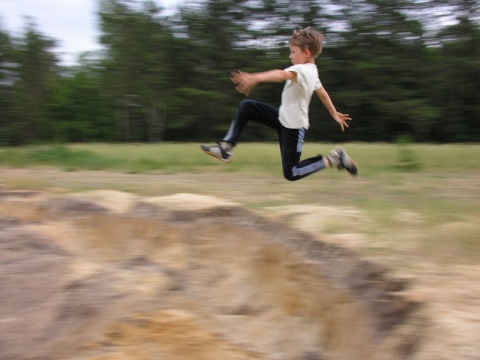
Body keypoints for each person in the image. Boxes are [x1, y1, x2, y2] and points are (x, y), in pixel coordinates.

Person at [200, 27, 357, 180]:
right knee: (246, 106)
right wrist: (334, 113)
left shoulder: (303, 70)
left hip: (294, 127)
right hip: (282, 117)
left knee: (292, 173)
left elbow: (282, 75)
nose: (290, 56)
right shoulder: (311, 71)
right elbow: (322, 92)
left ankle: (334, 159)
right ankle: (226, 149)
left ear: (306, 52)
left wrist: (256, 78)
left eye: (293, 52)